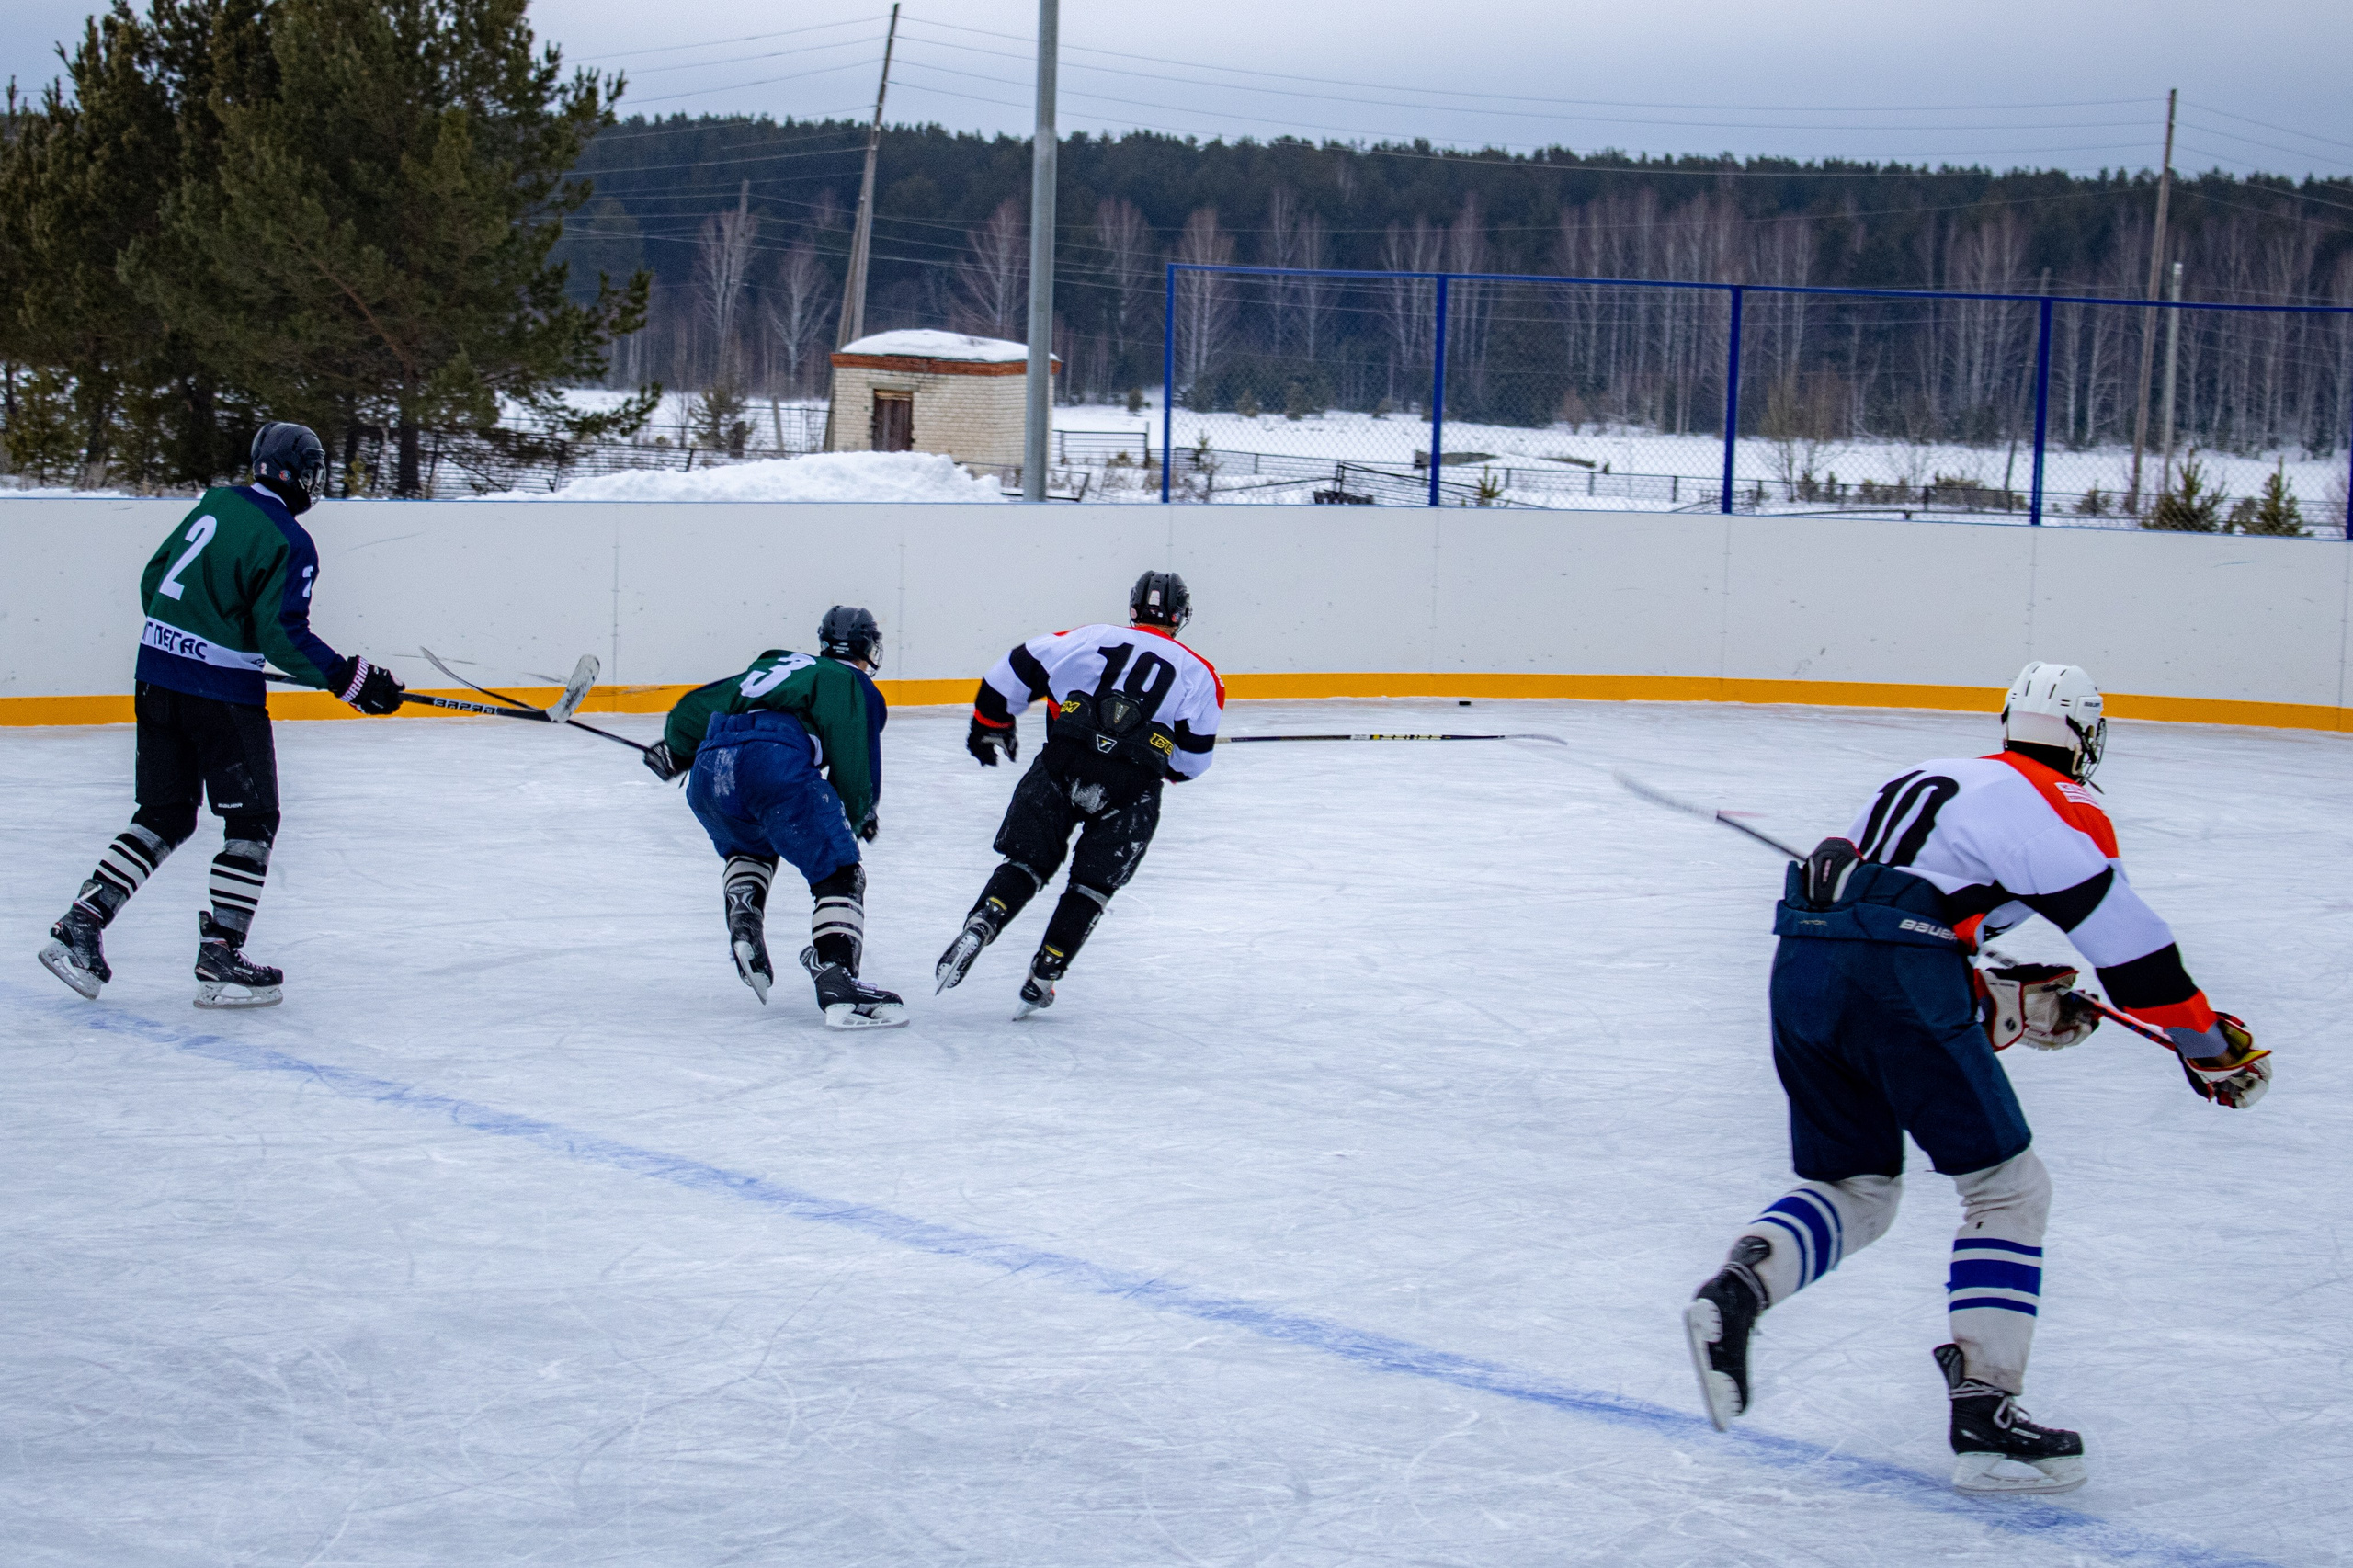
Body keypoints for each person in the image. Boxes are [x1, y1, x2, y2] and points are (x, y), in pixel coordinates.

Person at [1683, 661, 2271, 1496]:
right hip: (1895, 972)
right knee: (2008, 1190)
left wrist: (2011, 1002)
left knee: (1856, 1185)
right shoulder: (2066, 807)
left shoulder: (1925, 778)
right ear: (2086, 736)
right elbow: (2138, 961)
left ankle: (1738, 1289)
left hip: (1802, 966)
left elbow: (1907, 920)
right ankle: (1985, 1415)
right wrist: (2209, 1046)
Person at [40, 421, 407, 1009]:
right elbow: (283, 636)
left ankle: (80, 925)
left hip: (156, 676)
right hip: (218, 700)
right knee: (254, 820)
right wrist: (353, 682)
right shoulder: (288, 539)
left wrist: (198, 639)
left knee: (164, 814)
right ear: (297, 474)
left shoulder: (217, 502)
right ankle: (221, 956)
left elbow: (154, 581)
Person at [935, 571, 1222, 1017]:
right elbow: (1191, 763)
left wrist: (992, 724)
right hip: (1130, 785)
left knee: (1027, 861)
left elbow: (1011, 669)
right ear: (1181, 616)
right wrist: (1167, 763)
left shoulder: (1089, 638)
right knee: (1091, 885)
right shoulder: (1202, 674)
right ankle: (1046, 970)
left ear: (1133, 609)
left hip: (1061, 762)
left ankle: (984, 919)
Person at [642, 606, 904, 1028]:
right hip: (774, 763)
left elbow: (692, 710)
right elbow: (854, 758)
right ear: (867, 647)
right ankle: (838, 978)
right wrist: (856, 816)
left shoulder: (780, 664)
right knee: (839, 871)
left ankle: (745, 914)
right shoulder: (850, 681)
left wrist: (677, 749)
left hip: (711, 770)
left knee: (753, 841)